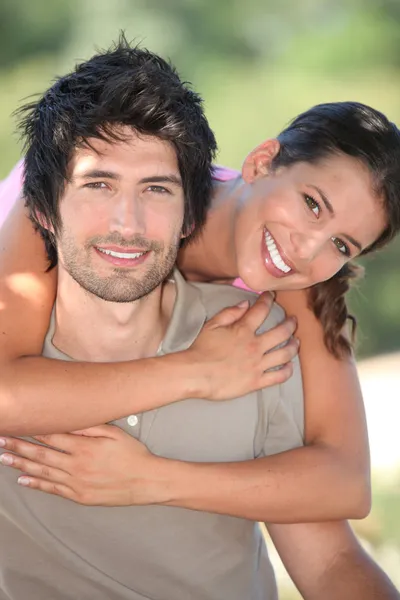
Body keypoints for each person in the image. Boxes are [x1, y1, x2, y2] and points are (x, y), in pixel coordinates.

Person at [0, 38, 399, 600]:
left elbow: (342, 485)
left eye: (341, 243)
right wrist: (197, 372)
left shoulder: (296, 291)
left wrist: (151, 480)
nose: (309, 248)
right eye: (312, 203)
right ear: (261, 162)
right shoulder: (84, 191)